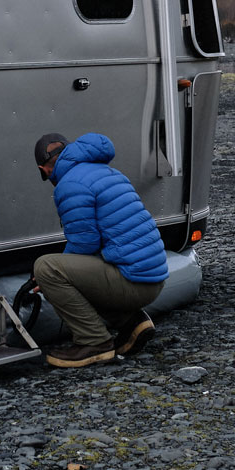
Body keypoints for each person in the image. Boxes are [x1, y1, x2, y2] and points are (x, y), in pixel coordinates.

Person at [31, 131, 168, 368]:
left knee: (47, 268)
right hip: (153, 278)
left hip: (133, 283)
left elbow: (85, 244)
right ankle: (132, 322)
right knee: (70, 271)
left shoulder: (70, 184)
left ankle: (94, 342)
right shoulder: (106, 172)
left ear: (44, 169)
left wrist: (48, 280)